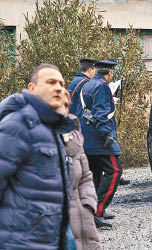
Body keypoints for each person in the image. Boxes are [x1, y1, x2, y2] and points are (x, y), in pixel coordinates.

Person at [0, 64, 75, 249]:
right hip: (19, 242)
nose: (58, 88)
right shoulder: (19, 125)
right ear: (32, 88)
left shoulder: (49, 128)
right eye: (50, 82)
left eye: (61, 83)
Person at [79, 59, 122, 228]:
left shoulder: (88, 84)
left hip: (88, 137)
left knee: (95, 175)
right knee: (115, 170)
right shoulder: (103, 86)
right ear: (110, 73)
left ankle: (90, 212)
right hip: (100, 139)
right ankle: (98, 211)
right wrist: (108, 135)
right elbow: (100, 114)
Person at [59, 90, 102, 249]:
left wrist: (88, 205)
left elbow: (85, 177)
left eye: (65, 106)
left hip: (81, 219)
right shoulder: (32, 137)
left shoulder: (73, 135)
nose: (61, 110)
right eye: (55, 105)